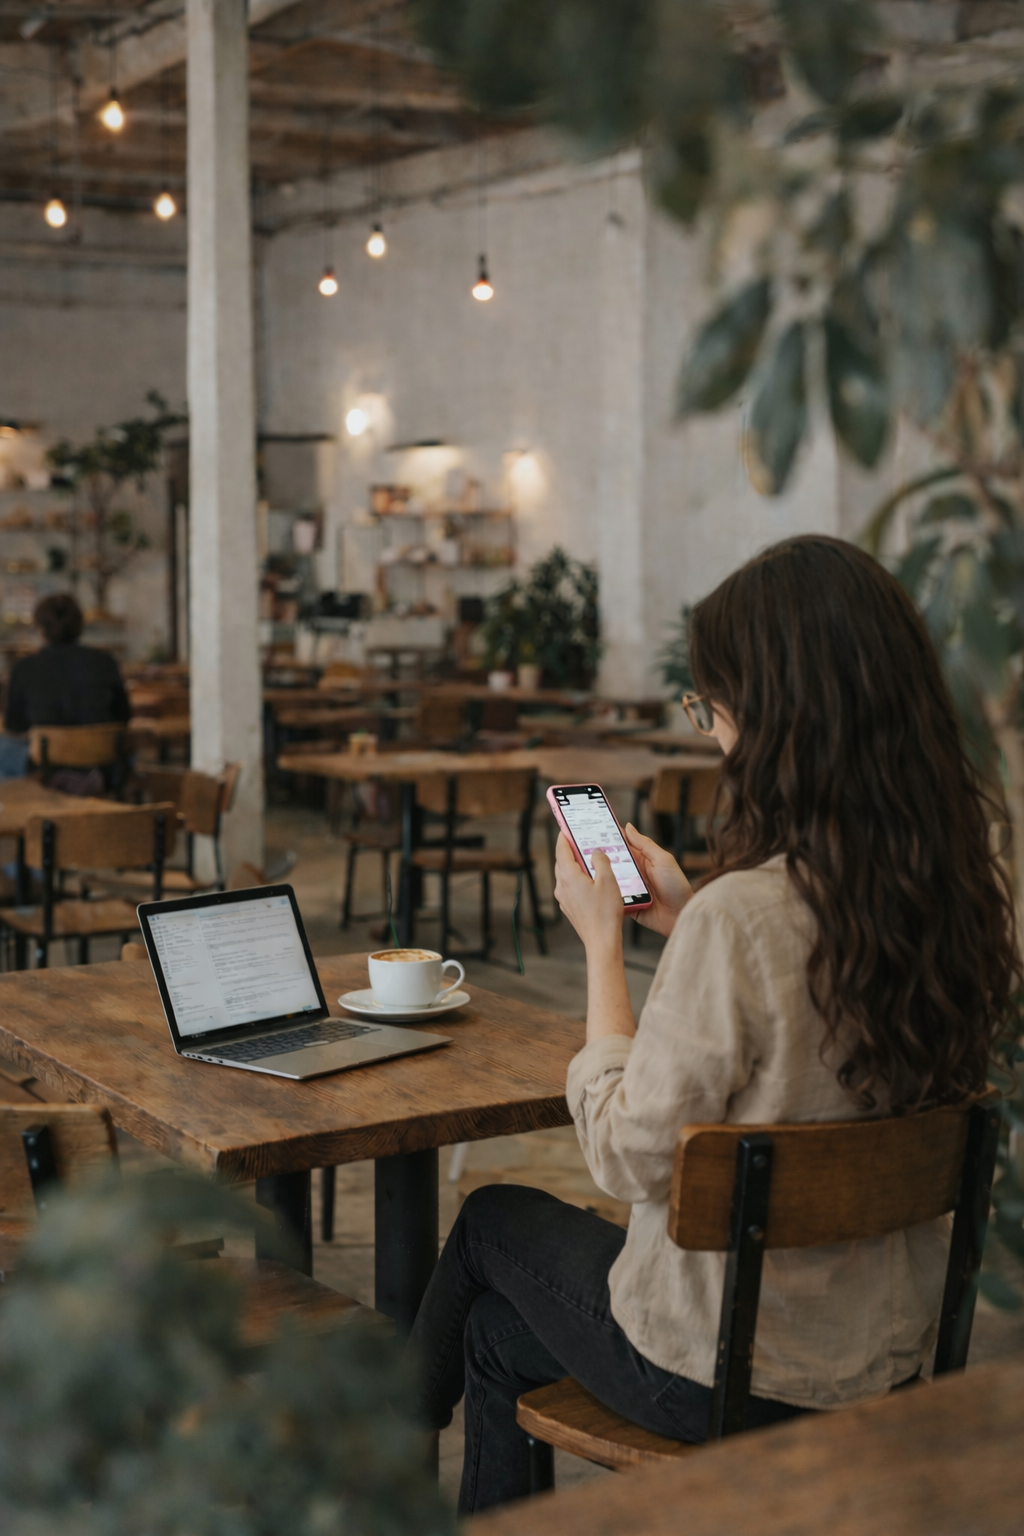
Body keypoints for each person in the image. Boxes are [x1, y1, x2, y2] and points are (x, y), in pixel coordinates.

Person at [407, 535, 1022, 1514]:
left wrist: (602, 944)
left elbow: (623, 1157)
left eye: (712, 707)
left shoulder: (747, 917)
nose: (709, 733)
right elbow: (812, 1022)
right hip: (885, 1357)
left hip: (724, 1372)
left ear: (775, 719)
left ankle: (371, 1472)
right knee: (489, 1334)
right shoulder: (960, 887)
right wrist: (688, 915)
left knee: (489, 1226)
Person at [0, 593, 131, 780]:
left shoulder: (25, 667)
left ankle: (44, 791)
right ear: (79, 627)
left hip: (46, 764)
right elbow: (123, 716)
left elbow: (14, 724)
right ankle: (84, 782)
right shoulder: (105, 661)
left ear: (41, 629)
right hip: (100, 761)